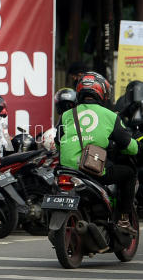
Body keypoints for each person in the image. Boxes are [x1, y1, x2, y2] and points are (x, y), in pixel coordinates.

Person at [56, 72, 139, 234]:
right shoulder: (110, 116)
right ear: (102, 93)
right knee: (129, 173)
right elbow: (127, 145)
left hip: (67, 168)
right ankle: (124, 219)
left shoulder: (66, 115)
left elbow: (58, 143)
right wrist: (138, 147)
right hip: (92, 168)